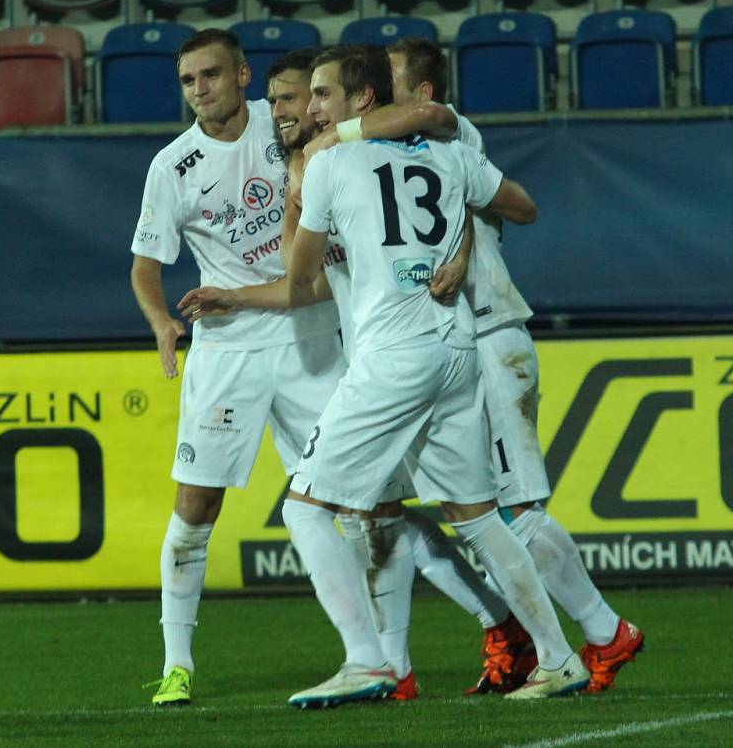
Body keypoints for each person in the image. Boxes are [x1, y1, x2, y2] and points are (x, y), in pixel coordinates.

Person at [181, 47, 535, 700]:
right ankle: (498, 647)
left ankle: (400, 655)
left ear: (346, 102)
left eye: (302, 97)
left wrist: (458, 250)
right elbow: (306, 282)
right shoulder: (328, 167)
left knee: (350, 510)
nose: (290, 110)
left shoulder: (360, 153)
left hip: (400, 360)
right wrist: (236, 295)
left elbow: (307, 268)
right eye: (284, 101)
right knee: (410, 514)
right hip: (397, 354)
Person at [283, 43, 591, 707]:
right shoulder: (447, 151)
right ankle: (560, 656)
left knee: (303, 506)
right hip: (456, 350)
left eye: (323, 94)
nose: (311, 107)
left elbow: (299, 273)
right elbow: (518, 203)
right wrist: (460, 239)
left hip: (393, 357)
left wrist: (296, 191)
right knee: (477, 517)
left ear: (361, 100)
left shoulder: (332, 163)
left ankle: (369, 659)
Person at [385, 37, 645, 695]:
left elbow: (517, 202)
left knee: (515, 510)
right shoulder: (386, 160)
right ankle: (527, 633)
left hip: (491, 333)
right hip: (450, 351)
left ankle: (604, 630)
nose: (376, 99)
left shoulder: (450, 135)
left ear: (422, 95)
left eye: (388, 86)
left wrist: (467, 250)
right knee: (465, 511)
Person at [130, 29, 347, 707]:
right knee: (196, 505)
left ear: (243, 75)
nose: (199, 89)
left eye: (211, 76)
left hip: (308, 330)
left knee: (361, 498)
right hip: (225, 348)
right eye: (189, 80)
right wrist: (162, 320)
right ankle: (177, 663)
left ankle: (382, 657)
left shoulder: (284, 126)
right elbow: (144, 267)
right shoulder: (173, 165)